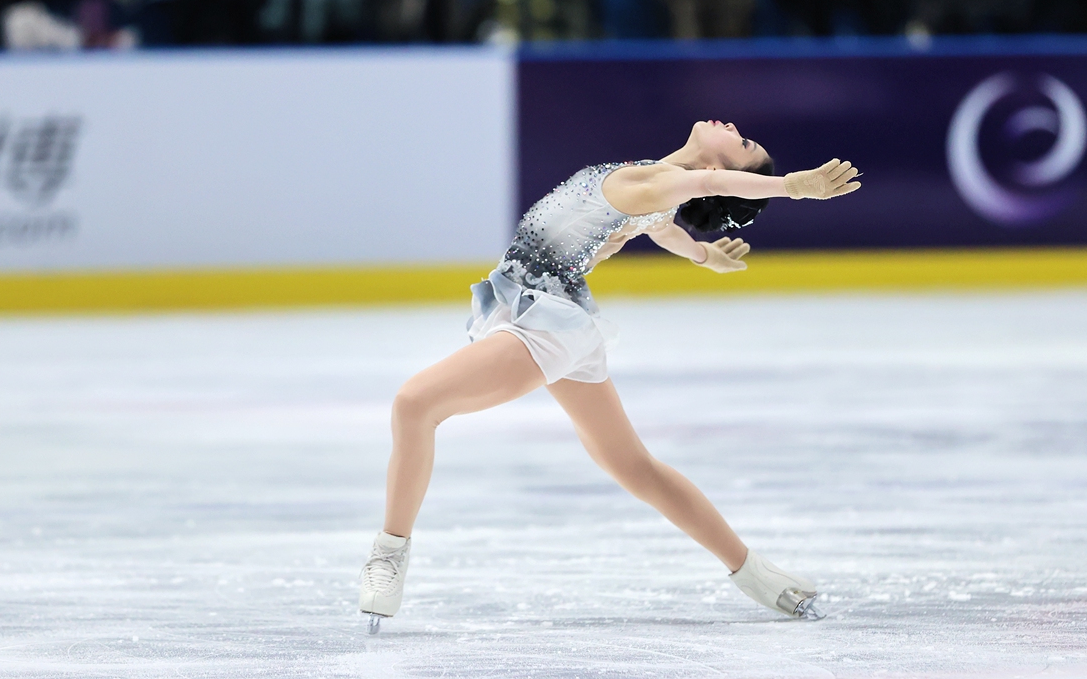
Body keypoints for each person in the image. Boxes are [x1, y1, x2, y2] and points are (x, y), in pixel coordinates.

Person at [358, 120, 861, 632]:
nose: (734, 127)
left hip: (545, 325)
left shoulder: (667, 183)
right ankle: (754, 573)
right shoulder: (655, 184)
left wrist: (793, 187)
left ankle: (388, 556)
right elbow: (664, 229)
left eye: (744, 143)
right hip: (552, 318)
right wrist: (705, 255)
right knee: (634, 466)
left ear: (717, 169)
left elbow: (707, 189)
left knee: (413, 404)